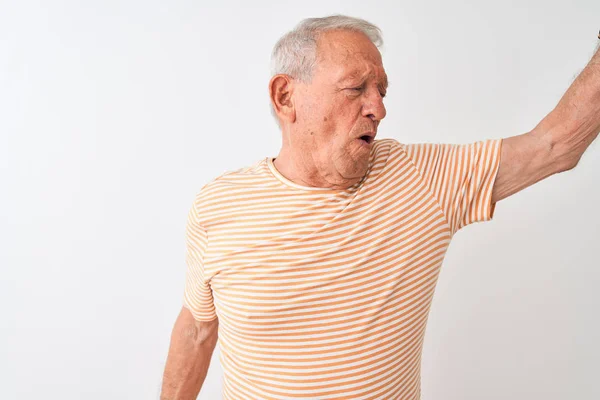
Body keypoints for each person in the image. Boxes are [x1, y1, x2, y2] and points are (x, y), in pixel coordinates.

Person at [160, 15, 600, 400]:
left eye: (382, 90)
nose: (379, 108)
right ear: (285, 97)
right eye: (356, 88)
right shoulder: (217, 206)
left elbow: (555, 144)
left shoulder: (422, 178)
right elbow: (198, 328)